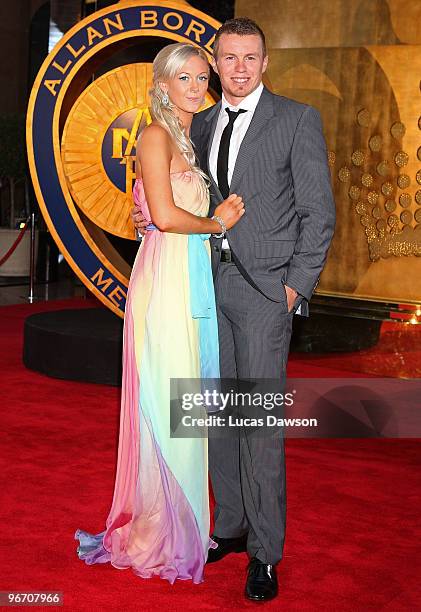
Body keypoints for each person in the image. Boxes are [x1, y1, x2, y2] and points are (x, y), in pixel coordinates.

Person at [135, 18, 336, 601]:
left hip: (265, 293)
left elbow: (318, 213)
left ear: (266, 62)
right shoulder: (192, 125)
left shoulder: (296, 119)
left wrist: (296, 286)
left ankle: (266, 553)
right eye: (229, 58)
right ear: (216, 64)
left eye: (251, 57)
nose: (240, 68)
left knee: (259, 426)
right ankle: (229, 526)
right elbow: (170, 191)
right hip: (199, 288)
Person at [74, 43, 244, 585]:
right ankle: (163, 530)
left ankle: (182, 523)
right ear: (163, 85)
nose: (197, 87)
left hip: (185, 274)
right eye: (184, 78)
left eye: (201, 78)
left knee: (187, 401)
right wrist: (216, 223)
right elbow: (167, 216)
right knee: (171, 399)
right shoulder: (154, 135)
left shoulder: (186, 140)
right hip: (166, 279)